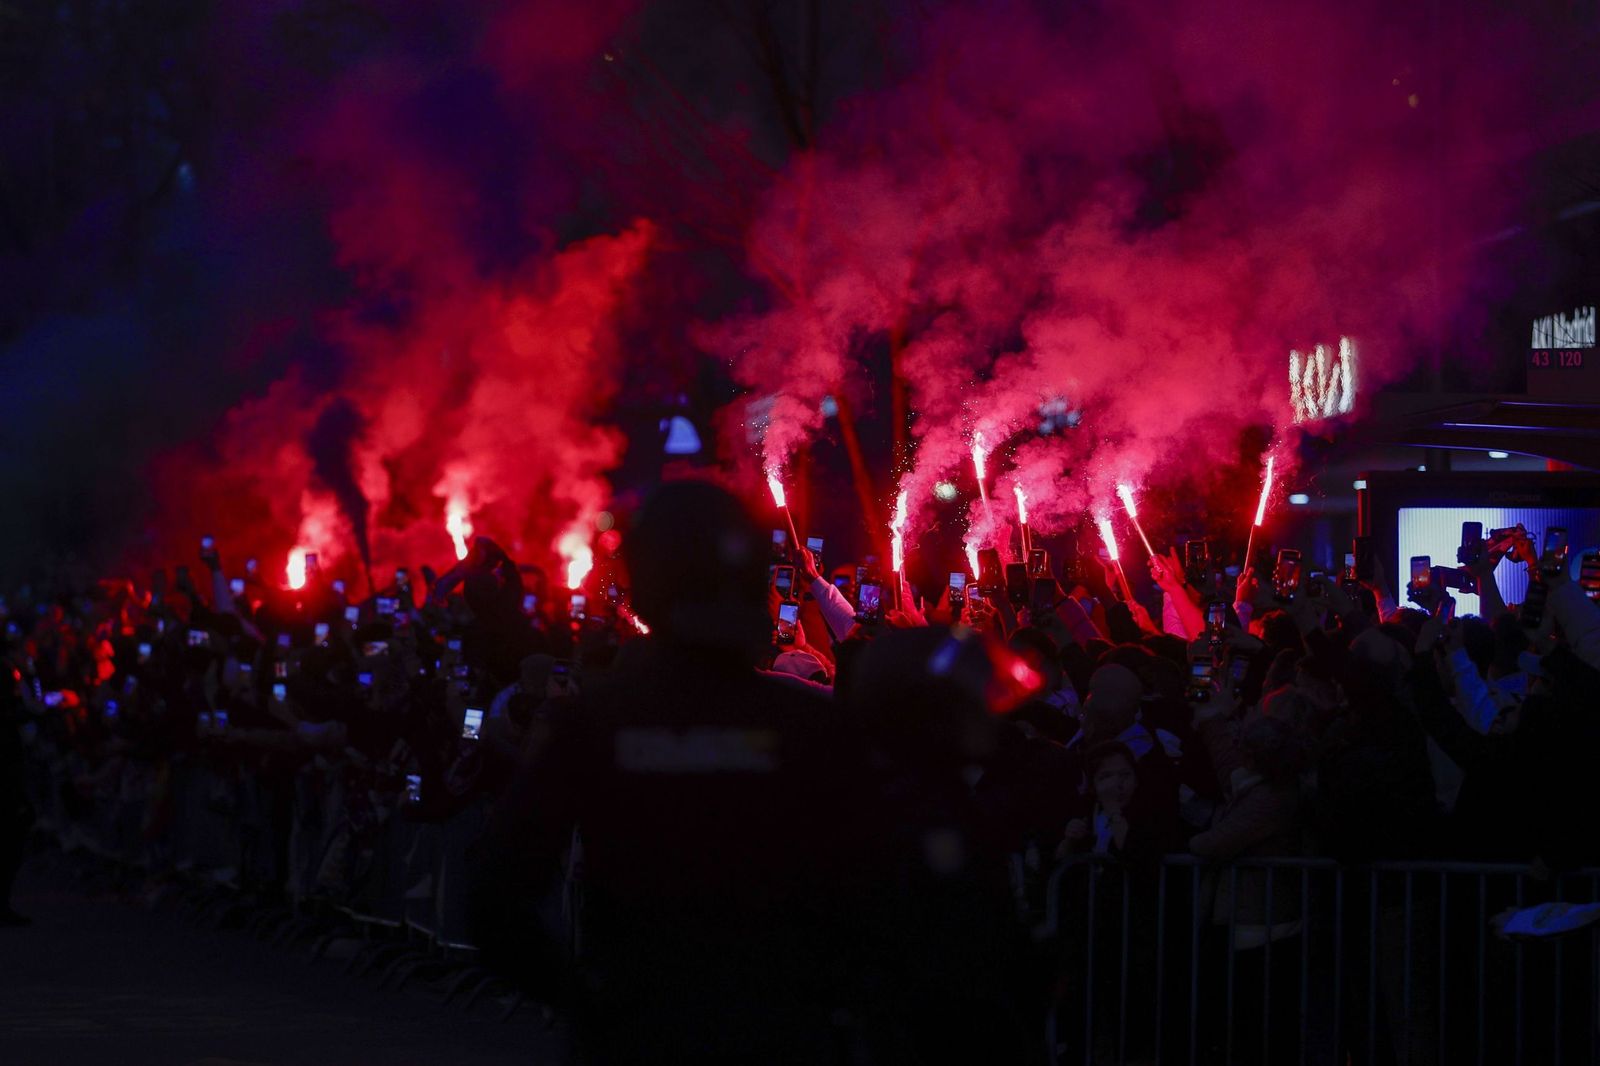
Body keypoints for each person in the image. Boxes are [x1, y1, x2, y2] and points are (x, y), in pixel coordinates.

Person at [467, 480, 884, 1065]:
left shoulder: (596, 722)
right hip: (774, 1029)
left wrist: (587, 996)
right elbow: (882, 890)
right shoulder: (809, 722)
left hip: (640, 1029)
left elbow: (494, 895)